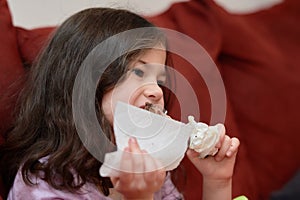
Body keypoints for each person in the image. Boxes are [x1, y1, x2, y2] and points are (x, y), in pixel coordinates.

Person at [0, 7, 239, 200]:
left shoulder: (151, 167)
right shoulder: (43, 183)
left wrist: (218, 182)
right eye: (138, 73)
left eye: (160, 80)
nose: (156, 91)